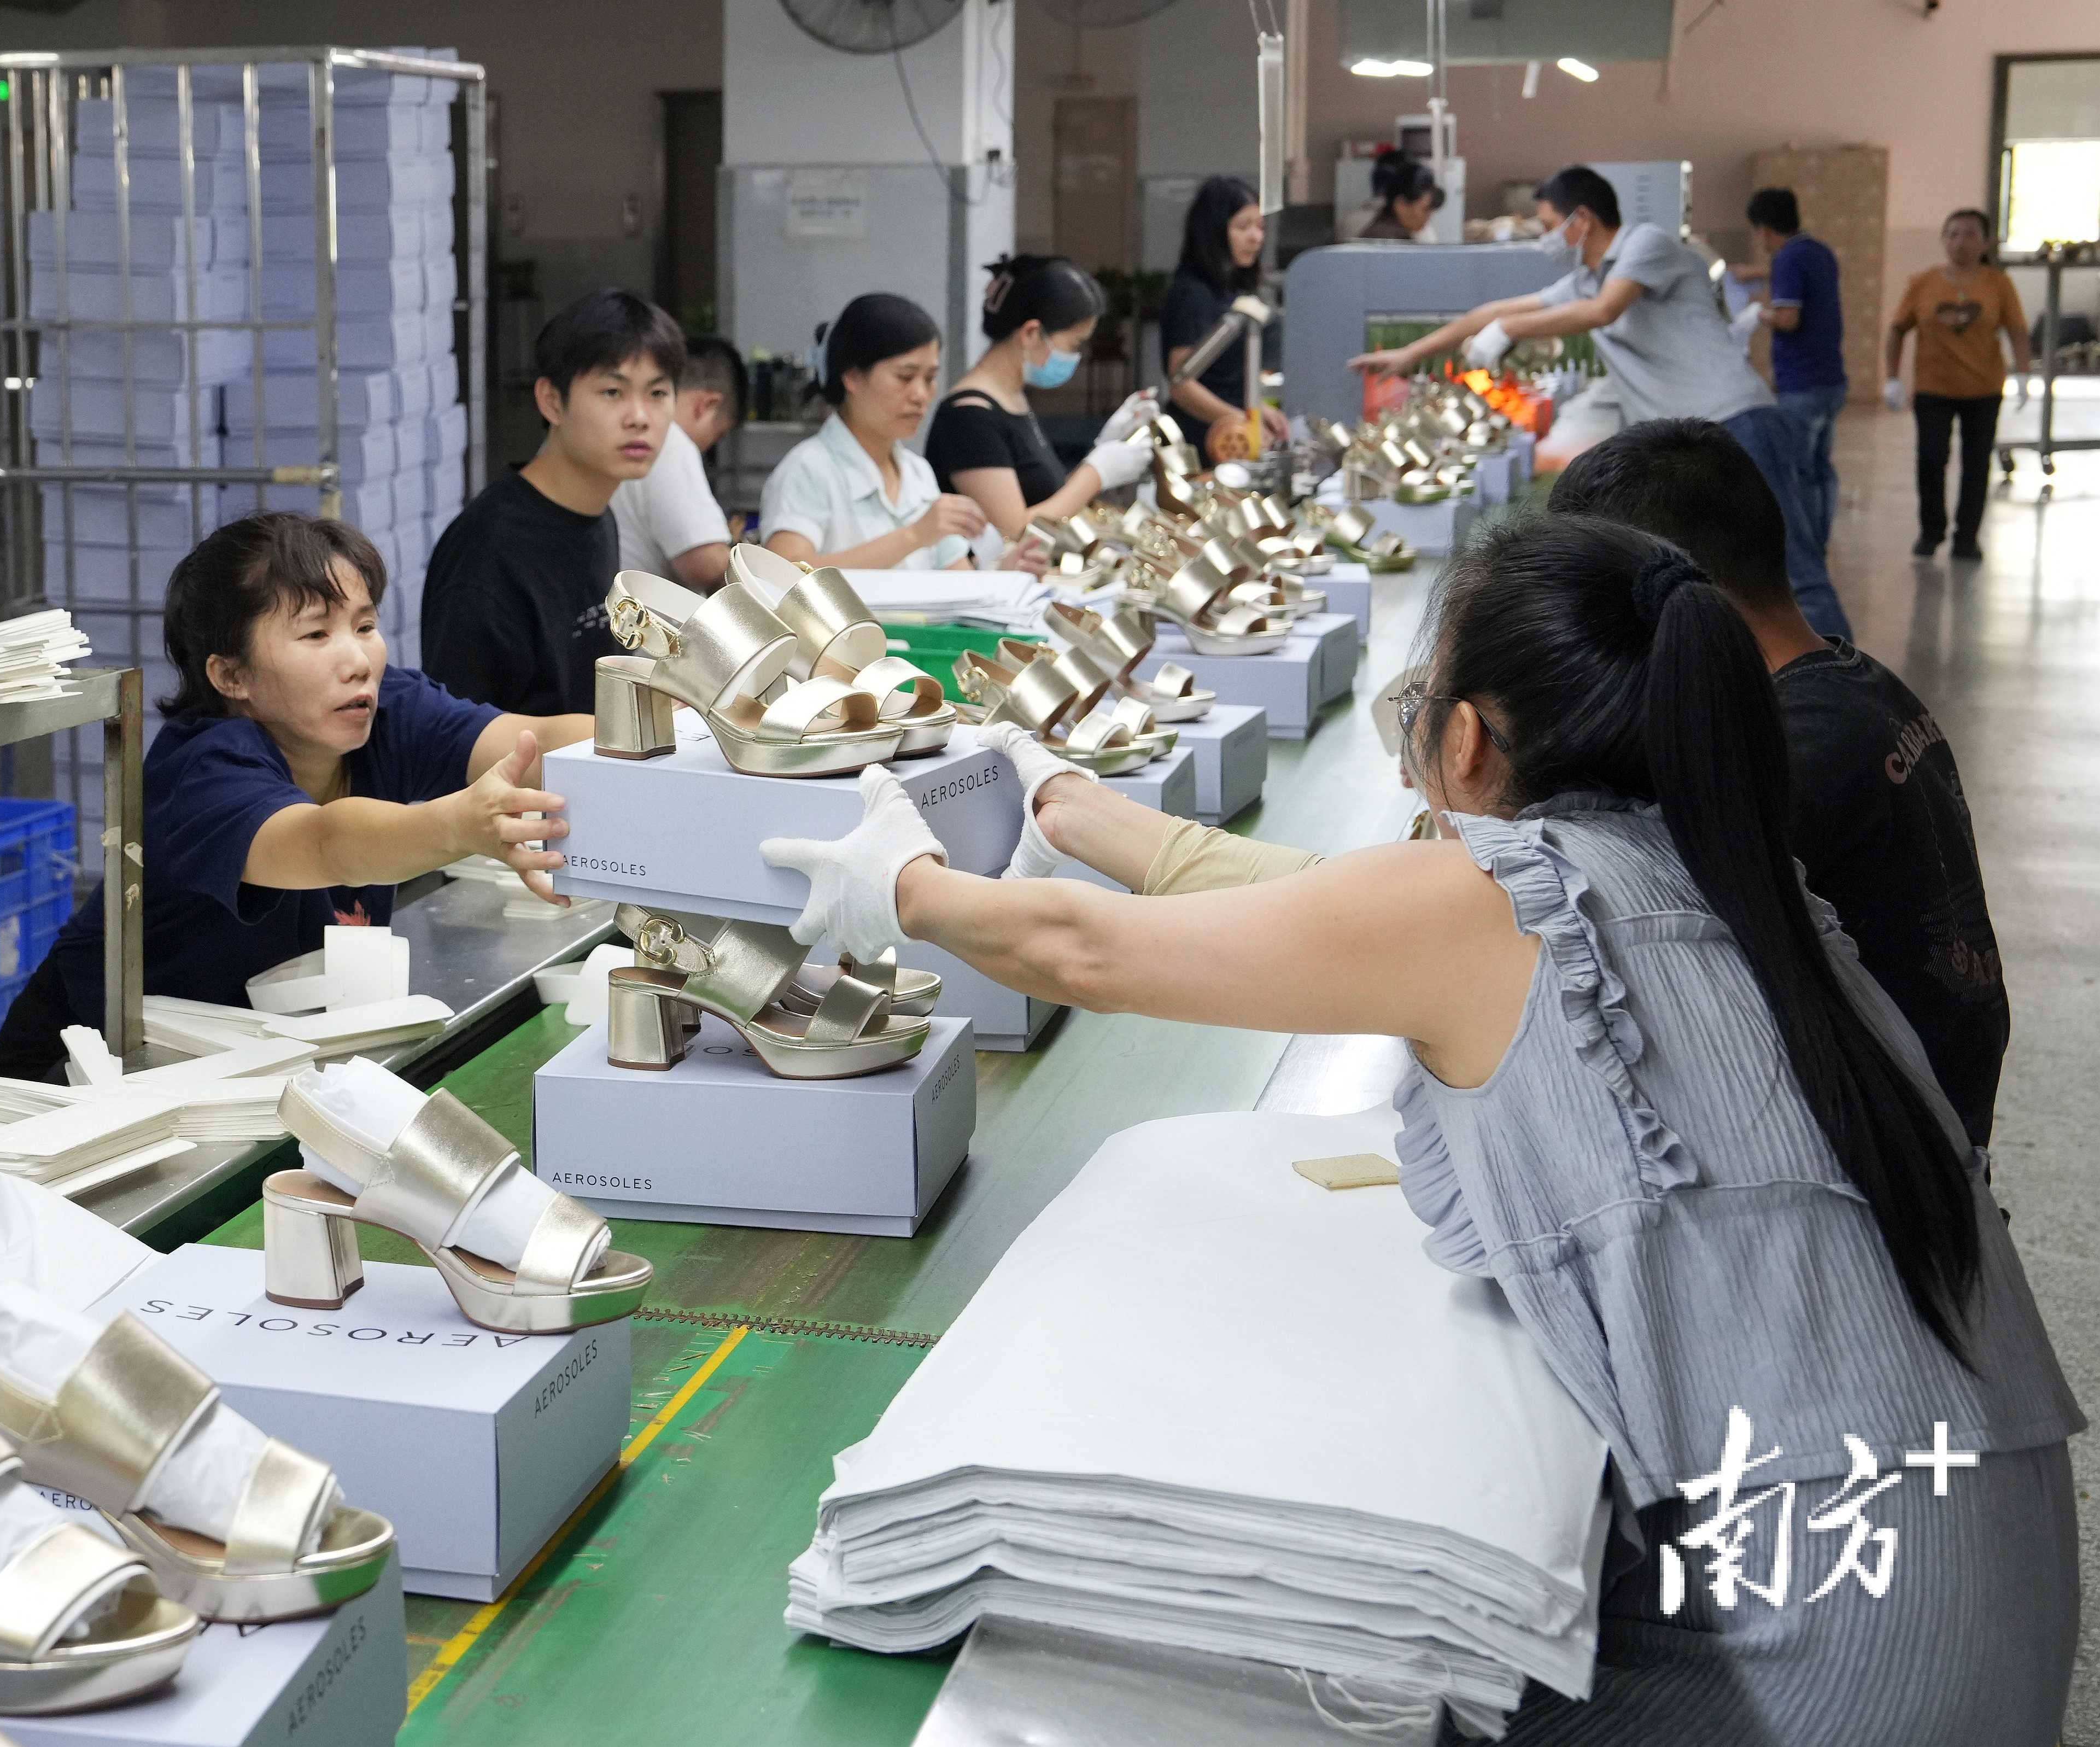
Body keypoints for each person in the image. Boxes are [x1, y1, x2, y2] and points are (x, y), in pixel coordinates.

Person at [758, 514, 2080, 1746]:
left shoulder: (1497, 900)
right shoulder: (1736, 879)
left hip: (1818, 1670)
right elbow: (1327, 901)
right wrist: (1068, 803)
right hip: (1977, 1616)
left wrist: (903, 887)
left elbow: (1081, 953)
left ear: (1461, 741)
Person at [0, 513, 590, 1081]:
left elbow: (533, 743)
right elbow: (324, 842)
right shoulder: (203, 773)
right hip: (92, 1072)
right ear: (232, 676)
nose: (357, 661)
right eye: (315, 634)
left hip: (257, 1058)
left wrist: (641, 721)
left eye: (364, 626)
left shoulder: (384, 711)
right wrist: (457, 826)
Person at [1548, 417, 2010, 1144]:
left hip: (1880, 1162)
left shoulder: (1783, 754)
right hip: (1936, 1119)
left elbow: (1616, 940)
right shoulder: (1850, 683)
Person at [1348, 164, 1852, 643]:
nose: (1546, 239)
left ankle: (1844, 687)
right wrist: (1410, 354)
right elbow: (1491, 311)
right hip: (1689, 442)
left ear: (1582, 219)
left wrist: (1508, 330)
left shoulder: (1647, 244)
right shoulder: (1585, 280)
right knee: (1716, 582)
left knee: (1791, 574)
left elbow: (1603, 311)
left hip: (1741, 423)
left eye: (1549, 226)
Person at [422, 287, 685, 713]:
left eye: (657, 393)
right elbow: (454, 730)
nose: (640, 417)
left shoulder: (599, 515)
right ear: (551, 402)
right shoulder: (487, 550)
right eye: (612, 392)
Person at [925, 255, 1161, 545]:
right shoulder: (969, 418)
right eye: (1074, 344)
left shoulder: (1013, 399)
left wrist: (1102, 449)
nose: (1077, 356)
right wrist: (1095, 474)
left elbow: (1046, 498)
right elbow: (1014, 532)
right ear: (1031, 334)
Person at [760, 293, 986, 572]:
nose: (920, 395)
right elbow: (785, 575)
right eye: (905, 377)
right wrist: (913, 537)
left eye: (930, 378)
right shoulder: (808, 469)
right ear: (853, 377)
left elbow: (960, 578)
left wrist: (1006, 569)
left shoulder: (918, 473)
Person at [1886, 209, 2031, 562]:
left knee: (1976, 464)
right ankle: (1931, 531)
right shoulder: (1922, 283)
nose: (1960, 242)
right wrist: (1891, 377)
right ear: (1943, 241)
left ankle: (1967, 538)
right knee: (1931, 460)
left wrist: (2024, 374)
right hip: (1933, 388)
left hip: (1983, 390)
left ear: (1985, 243)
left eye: (1969, 234)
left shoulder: (1998, 284)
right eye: (1952, 234)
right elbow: (1897, 329)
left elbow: (2017, 330)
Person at [1730, 188, 1848, 548]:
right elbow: (1802, 278)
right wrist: (1758, 273)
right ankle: (1820, 538)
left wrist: (1756, 315)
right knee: (1821, 467)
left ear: (1764, 229)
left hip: (1802, 382)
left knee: (1798, 471)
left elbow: (1788, 319)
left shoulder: (1786, 259)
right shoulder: (1818, 251)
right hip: (1831, 380)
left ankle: (1806, 546)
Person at [1162, 175, 1286, 456]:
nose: (1256, 237)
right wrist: (1243, 422)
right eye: (1243, 227)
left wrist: (1258, 410)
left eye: (1260, 227)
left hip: (1230, 434)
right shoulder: (1193, 294)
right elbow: (1182, 385)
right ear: (1214, 231)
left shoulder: (1230, 290)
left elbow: (1228, 380)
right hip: (1203, 441)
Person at [610, 335, 744, 591]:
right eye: (718, 435)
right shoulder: (670, 440)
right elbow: (709, 566)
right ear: (706, 405)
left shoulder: (591, 434)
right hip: (637, 611)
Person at [1358, 153, 1441, 242]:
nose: (1429, 216)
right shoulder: (1386, 239)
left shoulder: (1403, 233)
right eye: (1425, 209)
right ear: (1401, 205)